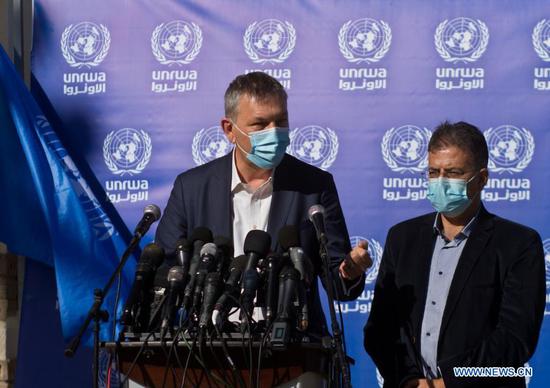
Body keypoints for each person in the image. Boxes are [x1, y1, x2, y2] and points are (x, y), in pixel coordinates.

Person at [155, 71, 371, 337]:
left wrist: (349, 272)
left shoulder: (314, 186)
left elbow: (337, 284)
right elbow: (165, 274)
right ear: (229, 130)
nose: (274, 133)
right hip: (207, 347)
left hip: (291, 347)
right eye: (260, 124)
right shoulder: (191, 188)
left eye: (281, 121)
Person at [364, 121, 545, 388]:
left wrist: (446, 383)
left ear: (482, 179)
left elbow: (514, 342)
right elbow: (379, 329)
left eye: (453, 173)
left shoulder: (518, 244)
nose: (441, 182)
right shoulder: (402, 238)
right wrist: (408, 381)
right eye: (433, 172)